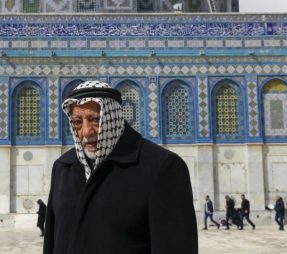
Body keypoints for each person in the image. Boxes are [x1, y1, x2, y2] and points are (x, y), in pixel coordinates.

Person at [43, 80, 197, 254]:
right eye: (78, 122)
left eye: (95, 119)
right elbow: (52, 242)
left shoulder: (160, 168)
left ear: (113, 117)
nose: (86, 132)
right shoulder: (63, 168)